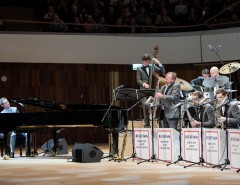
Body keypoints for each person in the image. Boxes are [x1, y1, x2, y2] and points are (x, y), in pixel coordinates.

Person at [136, 53, 165, 128]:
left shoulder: (153, 66)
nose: (146, 63)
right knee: (145, 107)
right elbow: (138, 80)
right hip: (144, 90)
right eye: (145, 61)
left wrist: (158, 63)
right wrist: (143, 84)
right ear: (142, 61)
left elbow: (163, 71)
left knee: (156, 106)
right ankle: (147, 124)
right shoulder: (139, 68)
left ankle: (157, 122)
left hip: (153, 90)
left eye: (148, 61)